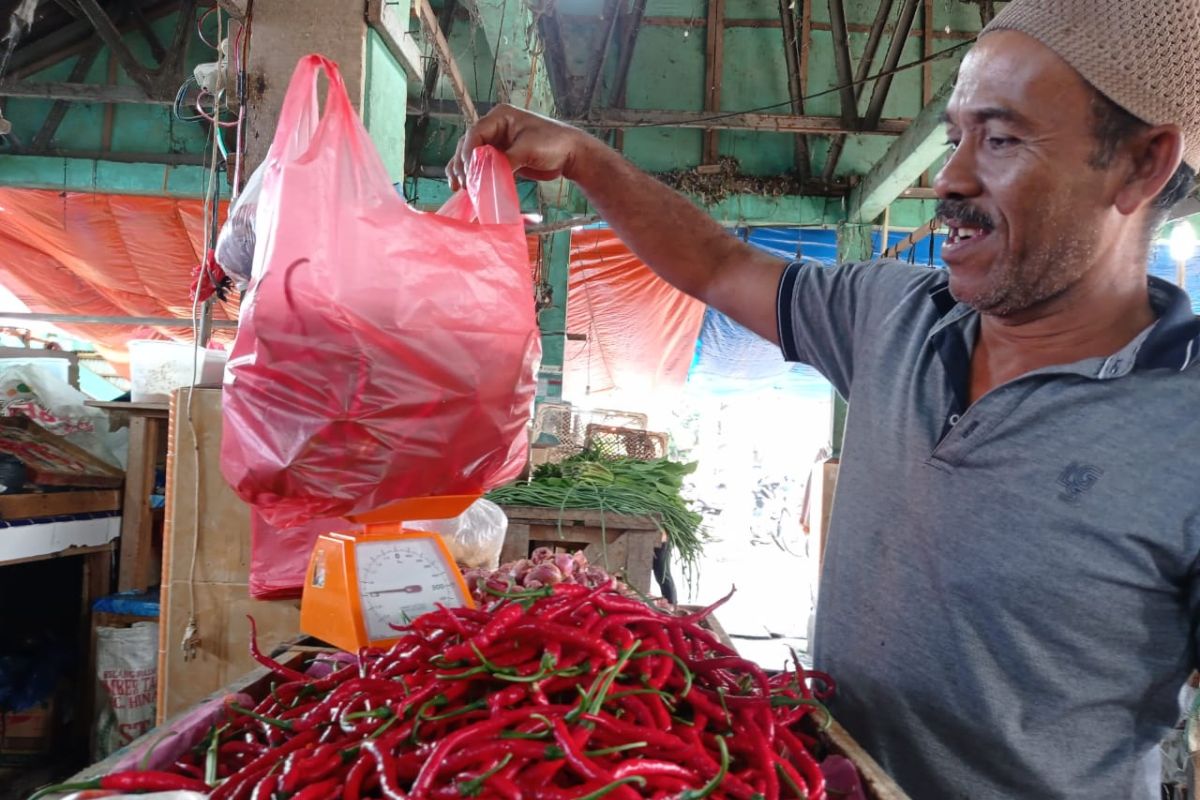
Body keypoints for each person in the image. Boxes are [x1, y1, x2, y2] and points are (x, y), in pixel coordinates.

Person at [449, 0, 1200, 797]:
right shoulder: (893, 316)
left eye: (1004, 138)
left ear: (1142, 164)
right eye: (956, 137)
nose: (951, 177)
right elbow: (719, 266)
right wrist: (585, 159)